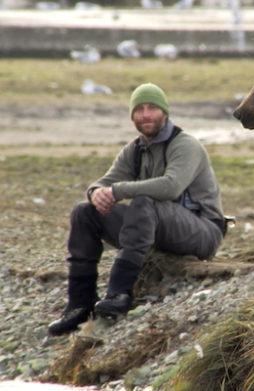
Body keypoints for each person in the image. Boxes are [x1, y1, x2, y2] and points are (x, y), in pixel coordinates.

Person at [48, 83, 225, 336]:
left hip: (202, 232)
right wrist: (95, 193)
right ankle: (79, 305)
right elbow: (104, 182)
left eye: (152, 108)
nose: (145, 115)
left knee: (144, 201)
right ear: (132, 116)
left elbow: (171, 187)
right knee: (84, 212)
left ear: (164, 112)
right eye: (139, 110)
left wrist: (118, 192)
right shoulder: (135, 150)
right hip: (156, 227)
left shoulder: (186, 145)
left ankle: (119, 293)